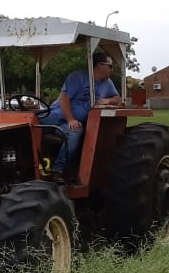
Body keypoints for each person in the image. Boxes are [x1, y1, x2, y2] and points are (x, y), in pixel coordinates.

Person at [40, 52, 123, 180]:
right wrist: (71, 119)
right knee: (28, 124)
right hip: (56, 115)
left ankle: (58, 170)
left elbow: (118, 99)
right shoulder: (78, 77)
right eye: (110, 66)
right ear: (100, 66)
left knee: (75, 132)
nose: (112, 70)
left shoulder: (107, 83)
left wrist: (107, 101)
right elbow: (64, 99)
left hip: (69, 124)